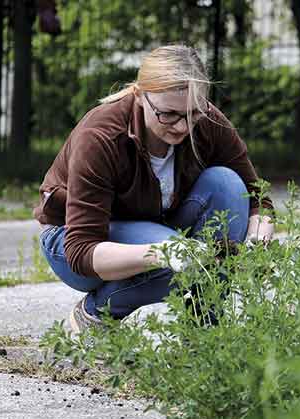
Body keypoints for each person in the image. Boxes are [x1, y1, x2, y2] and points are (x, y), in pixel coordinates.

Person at [33, 44, 274, 334]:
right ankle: (94, 315)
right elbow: (81, 251)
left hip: (153, 224)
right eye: (169, 114)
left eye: (193, 114)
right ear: (139, 95)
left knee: (227, 184)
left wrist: (258, 239)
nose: (183, 127)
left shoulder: (207, 121)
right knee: (182, 259)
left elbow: (257, 197)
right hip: (73, 243)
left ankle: (205, 336)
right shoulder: (100, 137)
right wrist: (162, 253)